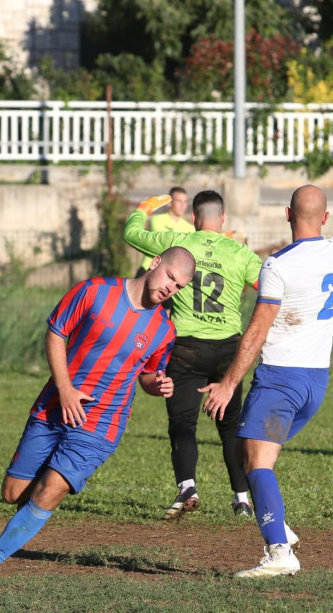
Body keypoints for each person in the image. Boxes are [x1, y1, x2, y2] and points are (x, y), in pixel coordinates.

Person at [0, 246, 196, 588]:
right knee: (13, 494)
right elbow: (56, 332)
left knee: (50, 490)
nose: (170, 288)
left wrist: (157, 384)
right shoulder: (94, 291)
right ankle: (31, 508)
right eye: (170, 278)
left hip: (102, 424)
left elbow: (148, 374)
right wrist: (65, 388)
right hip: (54, 407)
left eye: (179, 287)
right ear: (155, 263)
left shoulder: (164, 330)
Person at [202, 184, 333, 578]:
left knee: (258, 464)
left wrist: (227, 384)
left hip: (281, 378)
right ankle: (281, 530)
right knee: (247, 449)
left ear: (288, 215)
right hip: (316, 380)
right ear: (325, 218)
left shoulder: (277, 264)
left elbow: (257, 332)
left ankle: (279, 552)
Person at [123, 190, 262, 520]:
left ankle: (188, 487)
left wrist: (144, 208)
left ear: (194, 219)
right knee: (230, 428)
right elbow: (269, 289)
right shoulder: (239, 252)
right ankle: (242, 498)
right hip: (229, 349)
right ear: (223, 219)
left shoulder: (178, 242)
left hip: (185, 349)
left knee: (182, 423)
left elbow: (131, 233)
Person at [135, 187, 194, 311]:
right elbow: (167, 246)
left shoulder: (190, 228)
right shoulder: (157, 220)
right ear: (170, 203)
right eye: (179, 201)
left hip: (172, 277)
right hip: (149, 269)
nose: (183, 205)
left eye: (185, 201)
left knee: (165, 315)